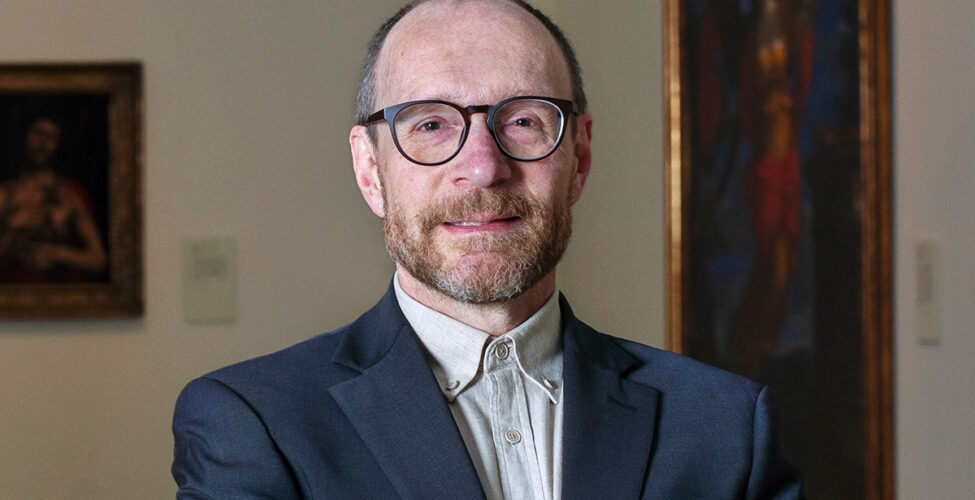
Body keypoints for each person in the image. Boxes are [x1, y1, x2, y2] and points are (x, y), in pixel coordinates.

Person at [171, 0, 803, 498]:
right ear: (370, 172)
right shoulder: (255, 425)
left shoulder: (726, 428)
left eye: (524, 120)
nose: (482, 166)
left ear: (579, 157)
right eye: (430, 124)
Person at [0, 116, 107, 283]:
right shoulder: (5, 193)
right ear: (24, 136)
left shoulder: (69, 194)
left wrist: (57, 253)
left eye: (52, 138)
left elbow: (99, 260)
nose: (44, 144)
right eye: (39, 133)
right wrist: (13, 232)